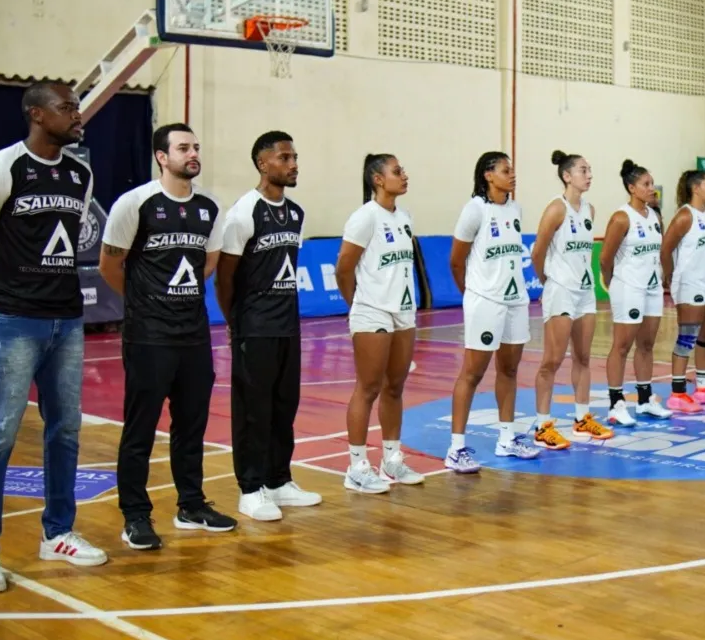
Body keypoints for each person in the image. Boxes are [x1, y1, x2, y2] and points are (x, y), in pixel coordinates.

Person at [0, 81, 107, 592]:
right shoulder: (2, 168)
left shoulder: (81, 174)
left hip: (67, 321)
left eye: (77, 107)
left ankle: (57, 532)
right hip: (14, 320)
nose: (77, 115)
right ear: (37, 114)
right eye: (67, 108)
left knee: (65, 431)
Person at [99, 123, 235, 550]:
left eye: (196, 147)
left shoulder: (209, 207)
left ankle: (191, 505)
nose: (193, 154)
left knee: (191, 426)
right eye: (183, 148)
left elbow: (208, 263)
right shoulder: (135, 203)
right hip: (148, 336)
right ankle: (135, 515)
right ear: (162, 156)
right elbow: (109, 265)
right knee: (140, 429)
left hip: (193, 335)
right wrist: (143, 300)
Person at [215, 131, 322, 519]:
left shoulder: (296, 213)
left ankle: (279, 480)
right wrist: (236, 322)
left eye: (294, 157)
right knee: (253, 410)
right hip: (254, 326)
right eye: (284, 158)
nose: (293, 165)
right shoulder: (244, 212)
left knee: (283, 405)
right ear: (263, 164)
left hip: (287, 325)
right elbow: (225, 278)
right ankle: (250, 488)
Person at [335, 154, 427, 491]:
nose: (404, 175)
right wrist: (358, 305)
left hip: (403, 311)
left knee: (395, 386)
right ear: (377, 179)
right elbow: (344, 268)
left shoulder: (405, 217)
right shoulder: (365, 217)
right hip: (372, 311)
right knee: (368, 387)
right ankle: (357, 466)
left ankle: (391, 460)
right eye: (397, 171)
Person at [445, 151, 539, 473]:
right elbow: (456, 261)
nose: (512, 174)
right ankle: (456, 448)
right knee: (472, 374)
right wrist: (473, 294)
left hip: (515, 300)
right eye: (505, 170)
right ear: (488, 175)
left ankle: (507, 438)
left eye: (512, 169)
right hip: (486, 301)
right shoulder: (474, 210)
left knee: (509, 371)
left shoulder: (515, 209)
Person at [529, 150, 612, 450]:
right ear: (567, 176)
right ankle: (542, 426)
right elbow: (537, 252)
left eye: (590, 170)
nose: (589, 175)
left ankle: (581, 419)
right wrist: (548, 282)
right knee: (551, 360)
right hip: (561, 291)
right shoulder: (556, 209)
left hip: (585, 292)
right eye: (583, 170)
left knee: (583, 357)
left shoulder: (590, 210)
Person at [600, 159, 675, 425]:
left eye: (652, 183)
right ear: (632, 188)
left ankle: (644, 400)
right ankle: (616, 404)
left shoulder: (653, 216)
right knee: (622, 346)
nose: (651, 188)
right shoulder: (621, 217)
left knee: (647, 345)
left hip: (652, 287)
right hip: (628, 287)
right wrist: (613, 283)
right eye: (646, 184)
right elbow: (605, 259)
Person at [660, 169, 705, 411]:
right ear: (695, 188)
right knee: (687, 337)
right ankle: (678, 393)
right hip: (691, 283)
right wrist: (669, 276)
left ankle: (702, 389)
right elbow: (665, 249)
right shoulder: (684, 216)